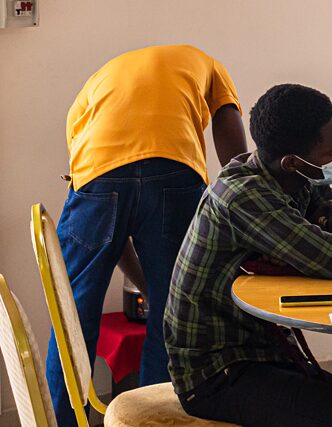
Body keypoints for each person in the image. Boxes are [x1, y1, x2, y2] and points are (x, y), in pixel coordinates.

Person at [164, 84, 332, 426]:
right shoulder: (243, 195)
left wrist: (330, 212)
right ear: (292, 161)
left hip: (264, 352)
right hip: (217, 373)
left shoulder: (298, 178)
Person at [51, 45, 247, 426]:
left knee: (72, 313)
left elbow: (109, 212)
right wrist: (251, 194)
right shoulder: (208, 64)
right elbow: (235, 153)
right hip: (174, 172)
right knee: (173, 311)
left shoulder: (94, 88)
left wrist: (140, 281)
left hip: (97, 175)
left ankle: (62, 420)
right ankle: (155, 418)